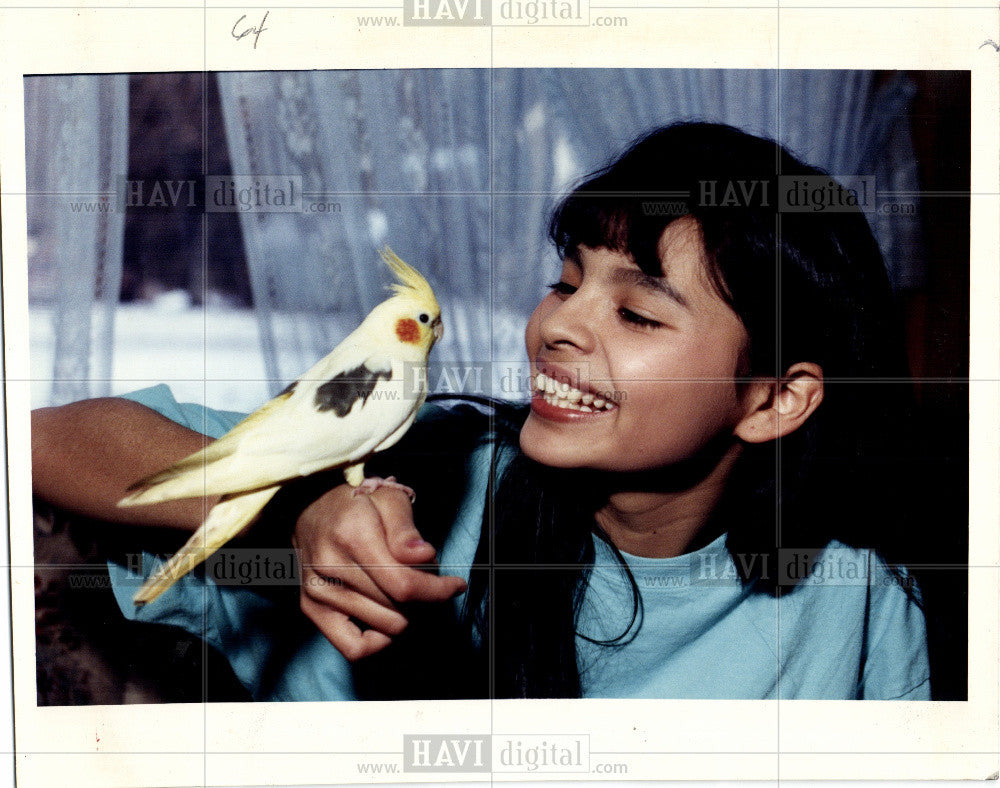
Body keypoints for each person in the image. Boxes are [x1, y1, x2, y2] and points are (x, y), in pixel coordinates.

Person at [31, 122, 931, 701]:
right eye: (565, 282)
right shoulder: (433, 473)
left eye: (637, 311)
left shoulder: (857, 610)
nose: (556, 326)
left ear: (776, 400)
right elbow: (48, 441)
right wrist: (296, 512)